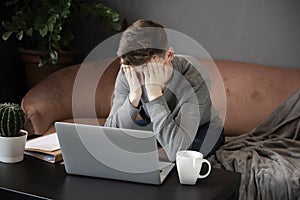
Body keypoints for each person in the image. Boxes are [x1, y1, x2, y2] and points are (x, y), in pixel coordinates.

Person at [105, 19, 224, 162]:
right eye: (138, 74)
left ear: (169, 55)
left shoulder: (194, 78)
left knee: (184, 159)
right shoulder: (129, 71)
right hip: (159, 122)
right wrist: (134, 96)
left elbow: (176, 151)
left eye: (150, 71)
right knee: (123, 146)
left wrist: (154, 95)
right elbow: (110, 133)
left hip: (202, 128)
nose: (143, 80)